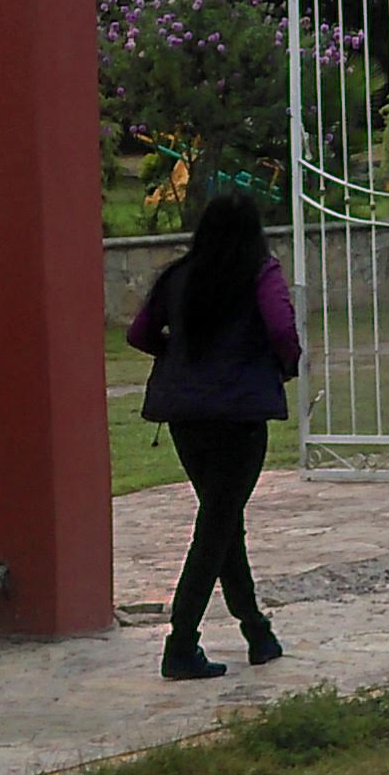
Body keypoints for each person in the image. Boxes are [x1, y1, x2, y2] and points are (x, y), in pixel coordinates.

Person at [125, 190, 302, 679]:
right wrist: (283, 367)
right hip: (240, 416)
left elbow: (139, 334)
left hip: (185, 417)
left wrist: (177, 354)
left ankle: (257, 631)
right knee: (216, 526)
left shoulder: (181, 276)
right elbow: (283, 332)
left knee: (222, 522)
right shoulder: (259, 273)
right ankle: (181, 643)